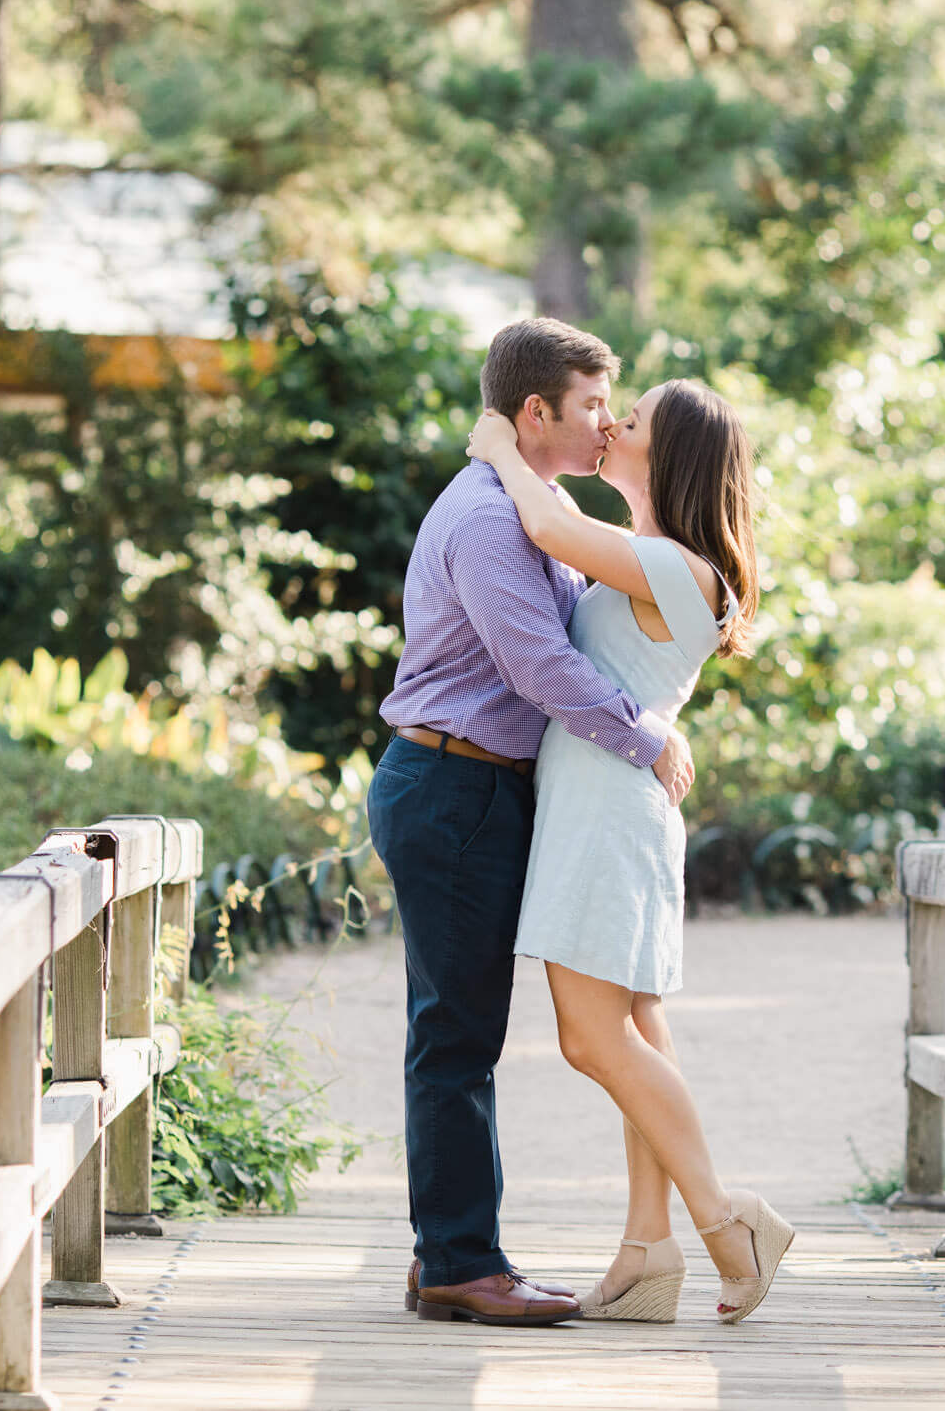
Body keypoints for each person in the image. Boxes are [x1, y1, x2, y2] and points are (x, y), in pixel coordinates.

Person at [369, 317, 698, 1328]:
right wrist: (646, 738)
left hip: (479, 788)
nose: (605, 422)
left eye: (614, 407)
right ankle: (462, 1264)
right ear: (533, 412)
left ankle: (452, 1257)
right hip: (452, 784)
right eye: (593, 404)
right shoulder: (486, 518)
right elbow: (540, 667)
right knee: (456, 1036)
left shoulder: (535, 504)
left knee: (461, 1029)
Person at [464, 375, 792, 1325]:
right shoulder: (658, 558)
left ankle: (726, 1218)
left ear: (671, 452)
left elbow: (549, 533)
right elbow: (566, 535)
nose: (611, 423)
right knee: (637, 1030)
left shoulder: (681, 569)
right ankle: (649, 1249)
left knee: (590, 1035)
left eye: (633, 419)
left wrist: (497, 453)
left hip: (609, 813)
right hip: (609, 805)